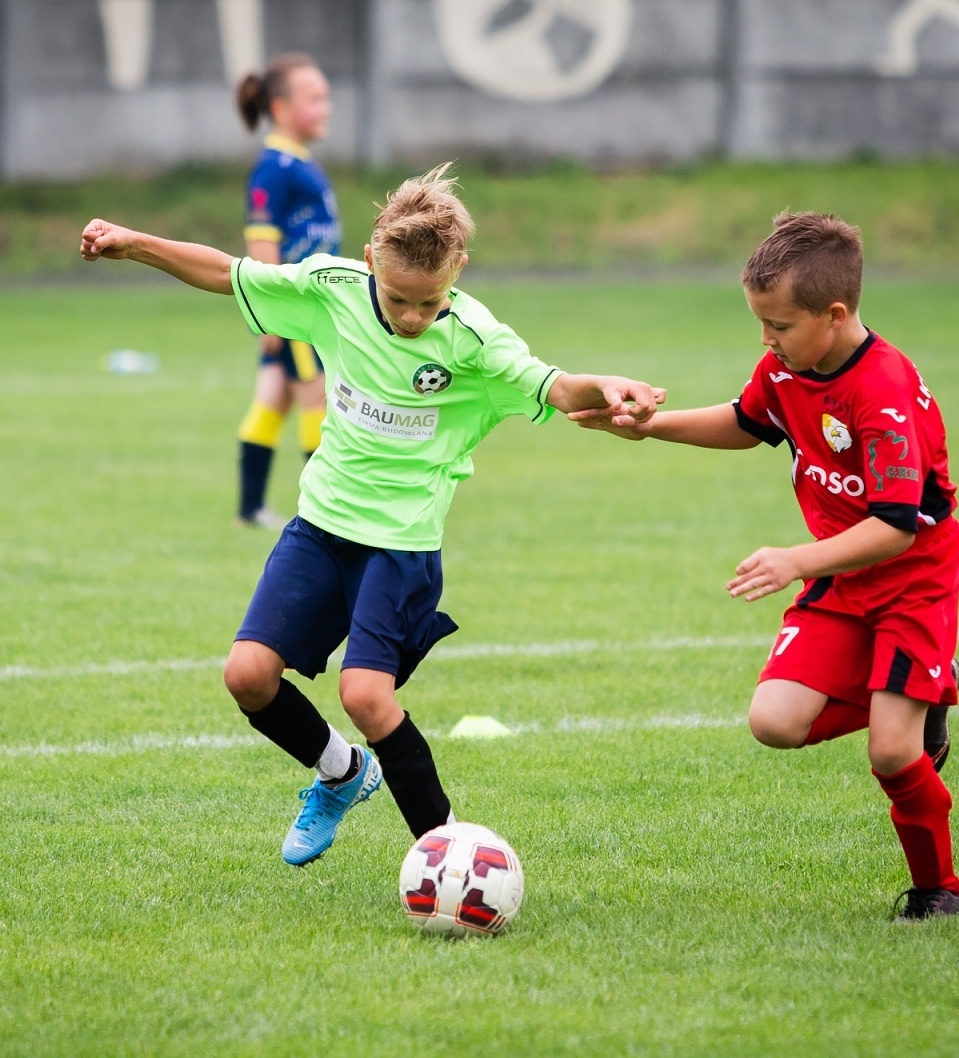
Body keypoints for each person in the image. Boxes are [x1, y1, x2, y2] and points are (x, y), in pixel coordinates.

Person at [80, 165, 663, 865]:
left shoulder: (476, 340)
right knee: (247, 676)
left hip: (401, 547)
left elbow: (560, 389)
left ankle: (451, 857)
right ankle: (342, 774)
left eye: (430, 301)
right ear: (369, 263)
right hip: (320, 528)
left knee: (365, 695)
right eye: (398, 299)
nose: (414, 317)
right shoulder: (332, 293)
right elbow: (228, 272)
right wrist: (132, 242)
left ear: (459, 270)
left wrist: (613, 386)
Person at [572, 212, 959, 920]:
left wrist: (795, 560)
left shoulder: (881, 390)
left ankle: (940, 891)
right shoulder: (787, 367)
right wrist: (647, 426)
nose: (767, 340)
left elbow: (898, 526)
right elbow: (749, 421)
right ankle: (925, 691)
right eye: (761, 324)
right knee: (775, 721)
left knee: (890, 753)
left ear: (836, 314)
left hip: (911, 579)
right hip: (841, 576)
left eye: (779, 325)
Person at [232, 54, 340, 528]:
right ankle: (327, 515)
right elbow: (261, 243)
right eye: (314, 99)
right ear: (280, 109)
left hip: (302, 305)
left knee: (274, 397)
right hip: (297, 308)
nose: (326, 107)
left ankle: (250, 509)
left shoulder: (298, 163)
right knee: (318, 398)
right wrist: (271, 312)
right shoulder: (274, 167)